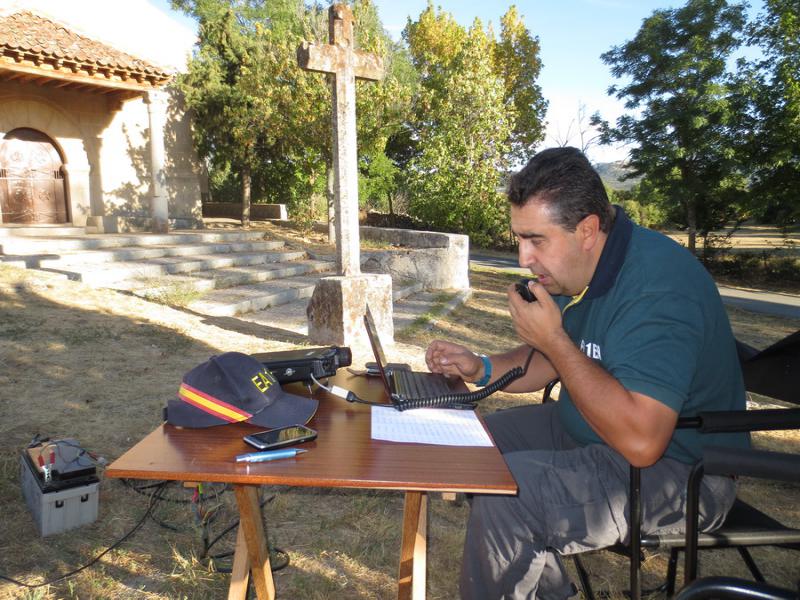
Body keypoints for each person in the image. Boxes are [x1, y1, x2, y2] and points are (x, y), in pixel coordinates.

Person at [425, 147, 750, 599]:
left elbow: (642, 442)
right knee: (472, 447)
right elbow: (549, 359)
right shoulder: (582, 269)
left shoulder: (659, 287)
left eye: (536, 240)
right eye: (519, 239)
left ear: (588, 231)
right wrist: (481, 366)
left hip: (683, 469)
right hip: (592, 430)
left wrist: (554, 339)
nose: (523, 258)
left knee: (509, 493)